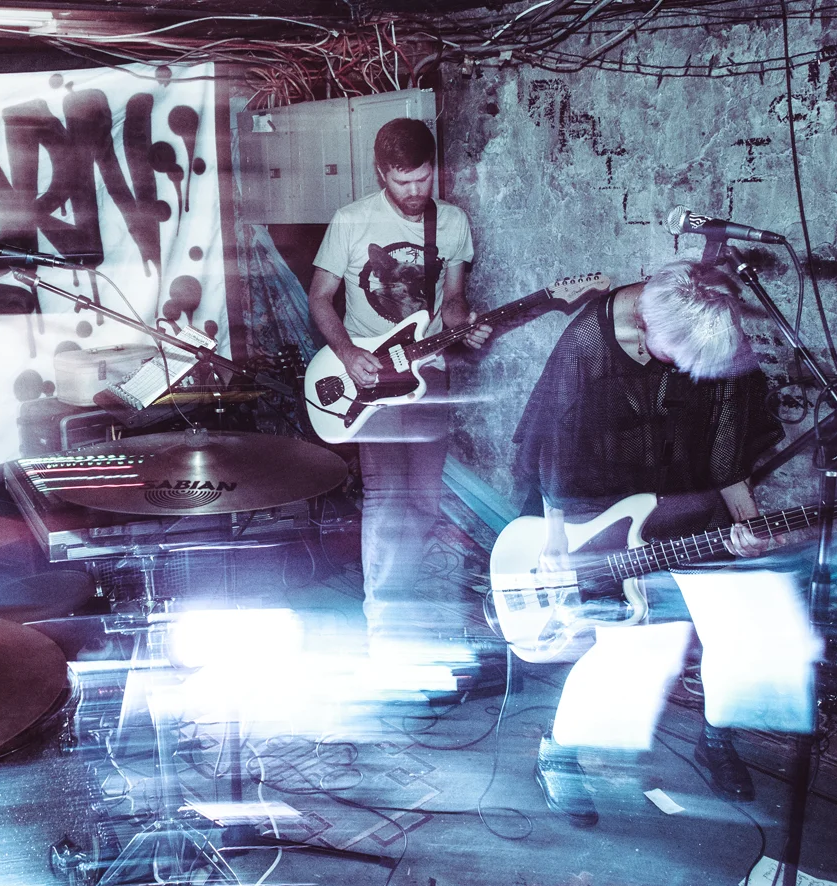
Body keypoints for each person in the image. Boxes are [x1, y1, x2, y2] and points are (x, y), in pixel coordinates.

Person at [512, 258, 784, 826]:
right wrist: (557, 537)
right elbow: (554, 447)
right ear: (644, 322)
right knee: (628, 642)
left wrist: (749, 525)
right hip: (593, 504)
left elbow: (726, 455)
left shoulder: (713, 334)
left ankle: (716, 737)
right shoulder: (588, 341)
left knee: (739, 624)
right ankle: (556, 754)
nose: (686, 368)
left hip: (682, 497)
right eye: (678, 356)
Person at [308, 118, 491, 645]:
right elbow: (320, 297)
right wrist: (347, 353)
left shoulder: (451, 222)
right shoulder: (351, 221)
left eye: (423, 178)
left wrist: (464, 323)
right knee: (387, 499)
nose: (414, 191)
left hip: (429, 374)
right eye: (402, 180)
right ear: (381, 173)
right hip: (371, 378)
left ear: (436, 169)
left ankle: (407, 603)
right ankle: (382, 619)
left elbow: (452, 300)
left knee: (426, 502)